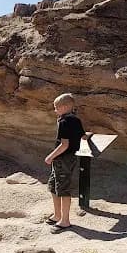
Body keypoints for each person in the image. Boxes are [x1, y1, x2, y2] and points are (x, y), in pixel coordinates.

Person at [44, 93, 90, 232]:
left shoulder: (64, 122)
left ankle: (65, 221)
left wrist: (50, 156)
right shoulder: (76, 120)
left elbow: (64, 145)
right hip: (69, 158)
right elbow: (84, 136)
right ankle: (57, 215)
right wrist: (89, 135)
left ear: (64, 107)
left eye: (56, 107)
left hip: (63, 159)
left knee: (63, 189)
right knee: (53, 185)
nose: (55, 110)